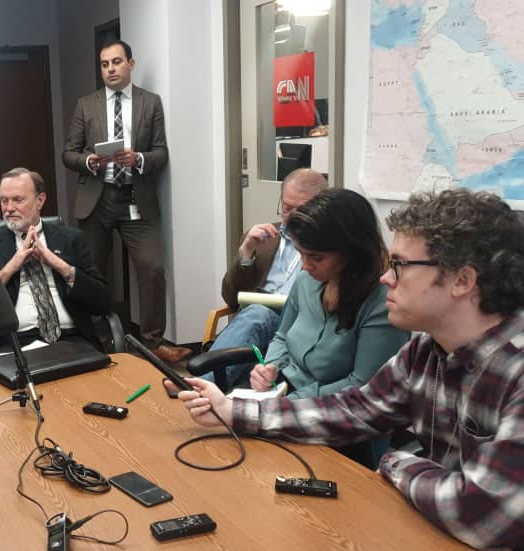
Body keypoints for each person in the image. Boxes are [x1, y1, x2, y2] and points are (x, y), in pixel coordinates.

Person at [174, 189, 524, 548]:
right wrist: (232, 410)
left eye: (400, 265)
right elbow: (354, 409)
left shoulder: (516, 371)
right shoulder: (427, 351)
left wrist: (395, 463)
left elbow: (485, 515)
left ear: (462, 281)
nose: (387, 278)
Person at [62, 40, 189, 364]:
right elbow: (68, 153)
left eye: (116, 62)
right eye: (104, 64)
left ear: (131, 64)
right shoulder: (86, 105)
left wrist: (139, 159)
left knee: (152, 267)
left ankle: (153, 342)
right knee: (90, 273)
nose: (110, 69)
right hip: (97, 199)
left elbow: (161, 152)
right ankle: (97, 341)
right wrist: (88, 161)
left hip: (136, 198)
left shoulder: (150, 102)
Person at [244, 188, 410, 400]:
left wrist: (287, 403)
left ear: (352, 252)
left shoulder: (382, 303)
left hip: (337, 408)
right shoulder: (305, 282)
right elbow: (282, 337)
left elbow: (363, 386)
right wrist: (270, 368)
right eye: (300, 253)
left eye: (316, 258)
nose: (305, 266)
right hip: (284, 391)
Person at [0, 167, 110, 353]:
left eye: (18, 200)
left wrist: (62, 267)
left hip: (72, 340)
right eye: (4, 200)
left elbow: (102, 303)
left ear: (40, 200)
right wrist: (9, 269)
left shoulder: (70, 239)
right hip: (12, 345)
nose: (9, 208)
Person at [201, 168, 327, 386]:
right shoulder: (264, 238)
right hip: (254, 326)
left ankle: (199, 385)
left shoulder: (329, 247)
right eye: (286, 208)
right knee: (256, 317)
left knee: (258, 315)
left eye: (302, 210)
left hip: (298, 326)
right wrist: (246, 253)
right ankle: (206, 388)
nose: (292, 217)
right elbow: (230, 297)